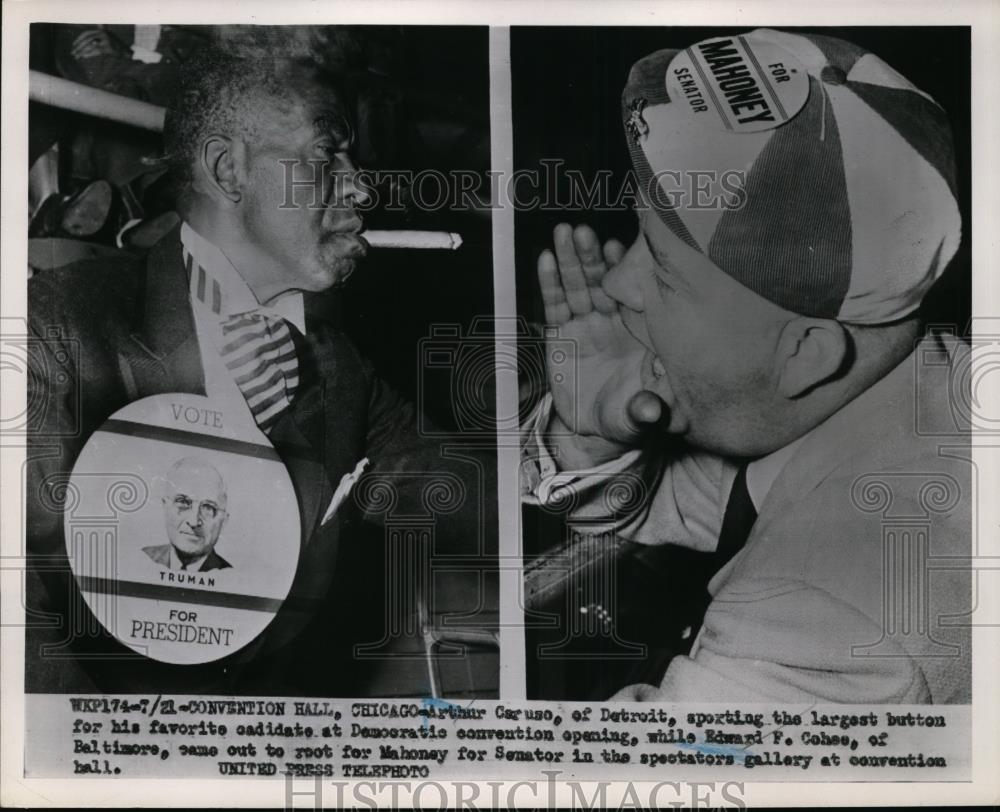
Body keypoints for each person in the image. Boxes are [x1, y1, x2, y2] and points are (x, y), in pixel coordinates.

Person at [26, 48, 495, 696]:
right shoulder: (56, 326)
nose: (361, 188)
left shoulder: (341, 369)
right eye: (327, 157)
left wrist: (585, 444)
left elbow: (474, 499)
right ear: (228, 171)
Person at [523, 28, 971, 703]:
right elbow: (684, 498)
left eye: (665, 274)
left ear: (805, 354)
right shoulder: (915, 391)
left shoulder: (826, 619)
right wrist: (593, 432)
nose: (620, 286)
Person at [145, 457, 232, 572]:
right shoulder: (141, 560)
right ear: (165, 507)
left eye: (208, 508)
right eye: (183, 502)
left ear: (223, 522)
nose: (194, 521)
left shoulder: (231, 578)